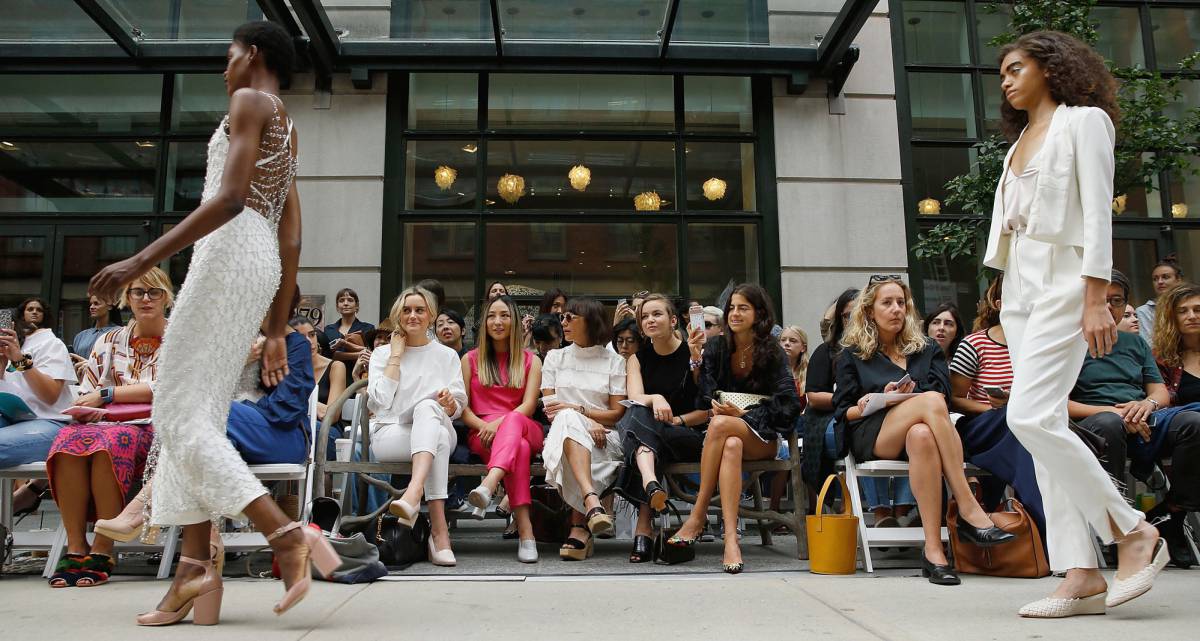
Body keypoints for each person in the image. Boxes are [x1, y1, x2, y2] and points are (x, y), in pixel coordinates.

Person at [88, 21, 337, 625]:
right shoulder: (288, 124)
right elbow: (293, 236)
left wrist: (141, 259)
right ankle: (193, 572)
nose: (222, 70)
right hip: (254, 265)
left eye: (227, 58)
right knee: (196, 410)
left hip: (226, 251)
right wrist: (276, 328)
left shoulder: (249, 100)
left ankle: (283, 534)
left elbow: (227, 199)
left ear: (252, 55)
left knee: (175, 410)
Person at [982, 31, 1164, 616]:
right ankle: (1080, 571)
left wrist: (1096, 299)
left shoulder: (1084, 122)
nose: (1006, 80)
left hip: (1067, 282)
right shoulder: (1015, 148)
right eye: (1002, 73)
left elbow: (1095, 215)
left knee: (1028, 415)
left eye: (1016, 67)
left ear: (1050, 67)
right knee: (1044, 428)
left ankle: (1134, 531)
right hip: (1021, 288)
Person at [833, 276, 1013, 586]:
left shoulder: (926, 348)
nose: (896, 309)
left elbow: (943, 396)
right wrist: (871, 401)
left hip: (922, 430)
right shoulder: (853, 352)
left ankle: (933, 553)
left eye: (901, 303)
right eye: (887, 303)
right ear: (869, 310)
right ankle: (967, 504)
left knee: (922, 435)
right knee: (928, 401)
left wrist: (906, 398)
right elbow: (842, 411)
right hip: (875, 433)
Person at [44, 268, 170, 588]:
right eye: (138, 292)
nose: (145, 298)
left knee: (111, 440)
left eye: (154, 292)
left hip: (155, 425)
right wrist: (88, 403)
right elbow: (89, 389)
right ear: (127, 299)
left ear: (167, 298)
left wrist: (107, 394)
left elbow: (168, 387)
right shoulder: (109, 341)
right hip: (106, 422)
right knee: (68, 439)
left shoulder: (179, 338)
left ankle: (103, 546)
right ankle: (75, 547)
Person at [666, 284, 803, 573]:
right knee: (730, 444)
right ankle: (731, 540)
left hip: (762, 436)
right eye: (732, 307)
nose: (735, 313)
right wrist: (695, 360)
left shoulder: (773, 351)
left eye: (743, 307)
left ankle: (697, 516)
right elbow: (703, 397)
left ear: (759, 313)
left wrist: (742, 414)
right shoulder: (717, 346)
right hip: (727, 437)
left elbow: (789, 404)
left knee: (720, 425)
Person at [368, 286, 467, 566]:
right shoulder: (382, 354)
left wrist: (449, 403)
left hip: (439, 426)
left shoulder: (446, 355)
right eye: (407, 310)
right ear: (397, 315)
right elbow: (379, 401)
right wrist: (395, 357)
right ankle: (440, 533)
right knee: (435, 435)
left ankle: (413, 494)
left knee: (429, 409)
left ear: (431, 315)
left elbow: (459, 404)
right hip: (391, 433)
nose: (413, 315)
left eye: (419, 310)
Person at [947, 274, 1047, 534]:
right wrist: (995, 408)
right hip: (982, 426)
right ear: (1000, 304)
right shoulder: (975, 344)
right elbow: (954, 400)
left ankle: (1021, 522)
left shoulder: (1040, 347)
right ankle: (1042, 529)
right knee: (1017, 424)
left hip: (1025, 428)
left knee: (1023, 432)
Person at [613, 294, 707, 563]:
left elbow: (708, 407)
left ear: (673, 320)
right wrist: (655, 398)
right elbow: (635, 397)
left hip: (688, 433)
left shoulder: (693, 352)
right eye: (644, 316)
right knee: (641, 414)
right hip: (654, 436)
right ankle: (650, 488)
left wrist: (678, 419)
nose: (650, 320)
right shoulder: (637, 358)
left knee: (642, 431)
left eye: (657, 314)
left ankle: (644, 526)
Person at [540, 297, 626, 561]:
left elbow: (617, 413)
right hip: (565, 432)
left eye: (569, 317)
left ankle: (579, 526)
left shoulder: (614, 361)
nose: (562, 322)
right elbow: (552, 410)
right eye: (562, 317)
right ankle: (591, 504)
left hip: (604, 436)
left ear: (590, 321)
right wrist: (585, 422)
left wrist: (582, 414)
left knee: (569, 418)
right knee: (566, 419)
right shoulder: (554, 358)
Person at [461, 295, 544, 563]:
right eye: (492, 316)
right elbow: (463, 409)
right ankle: (526, 534)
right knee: (516, 450)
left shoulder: (531, 360)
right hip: (482, 433)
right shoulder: (470, 360)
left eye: (505, 316)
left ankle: (489, 483)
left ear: (515, 321)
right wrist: (486, 426)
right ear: (484, 323)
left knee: (516, 427)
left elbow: (529, 406)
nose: (498, 321)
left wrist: (501, 423)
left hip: (523, 425)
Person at [1, 294, 77, 515]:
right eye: (29, 309)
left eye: (38, 310)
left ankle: (28, 494)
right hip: (13, 419)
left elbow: (50, 395)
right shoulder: (10, 348)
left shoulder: (51, 344)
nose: (33, 313)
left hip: (51, 424)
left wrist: (19, 361)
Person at [1148, 281, 1200, 568]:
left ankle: (1173, 511)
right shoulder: (1163, 359)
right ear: (1173, 317)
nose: (1192, 315)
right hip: (1183, 435)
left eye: (1198, 309)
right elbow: (1161, 400)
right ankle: (1175, 513)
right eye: (1184, 311)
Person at [290, 317, 346, 425]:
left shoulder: (336, 367)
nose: (309, 342)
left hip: (325, 430)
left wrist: (294, 401)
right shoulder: (287, 367)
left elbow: (332, 415)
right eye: (301, 337)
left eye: (312, 335)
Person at [323, 288, 373, 383]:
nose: (345, 303)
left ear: (357, 306)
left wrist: (339, 352)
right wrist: (360, 353)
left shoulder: (368, 328)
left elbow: (371, 355)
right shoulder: (328, 330)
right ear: (337, 307)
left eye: (350, 300)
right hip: (332, 379)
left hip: (359, 379)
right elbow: (326, 356)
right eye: (341, 300)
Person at [70, 295, 123, 377]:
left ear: (109, 306)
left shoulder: (120, 333)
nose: (91, 307)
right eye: (91, 304)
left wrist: (91, 366)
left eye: (96, 304)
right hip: (79, 382)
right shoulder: (81, 336)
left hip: (106, 383)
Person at [1136, 258, 1184, 343]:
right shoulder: (1144, 311)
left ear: (1178, 280)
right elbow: (1149, 346)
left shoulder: (1190, 306)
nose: (1160, 282)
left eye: (1165, 277)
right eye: (1155, 279)